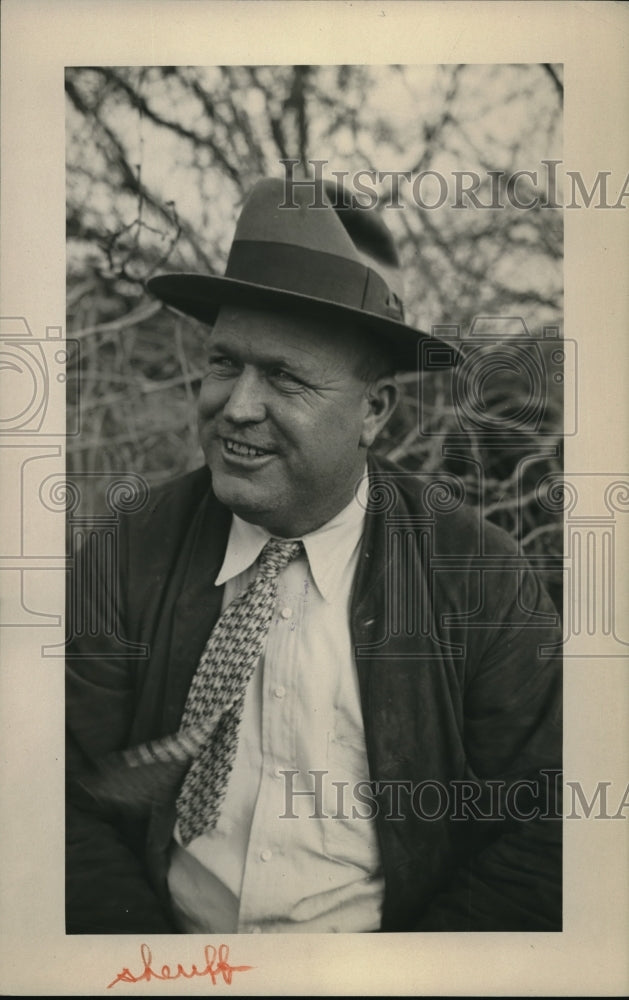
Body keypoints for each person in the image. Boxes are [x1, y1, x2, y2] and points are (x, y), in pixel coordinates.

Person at [65, 176, 562, 934]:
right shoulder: (129, 547)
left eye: (285, 377)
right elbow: (57, 798)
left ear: (372, 411)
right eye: (225, 363)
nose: (236, 406)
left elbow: (551, 827)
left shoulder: (478, 576)